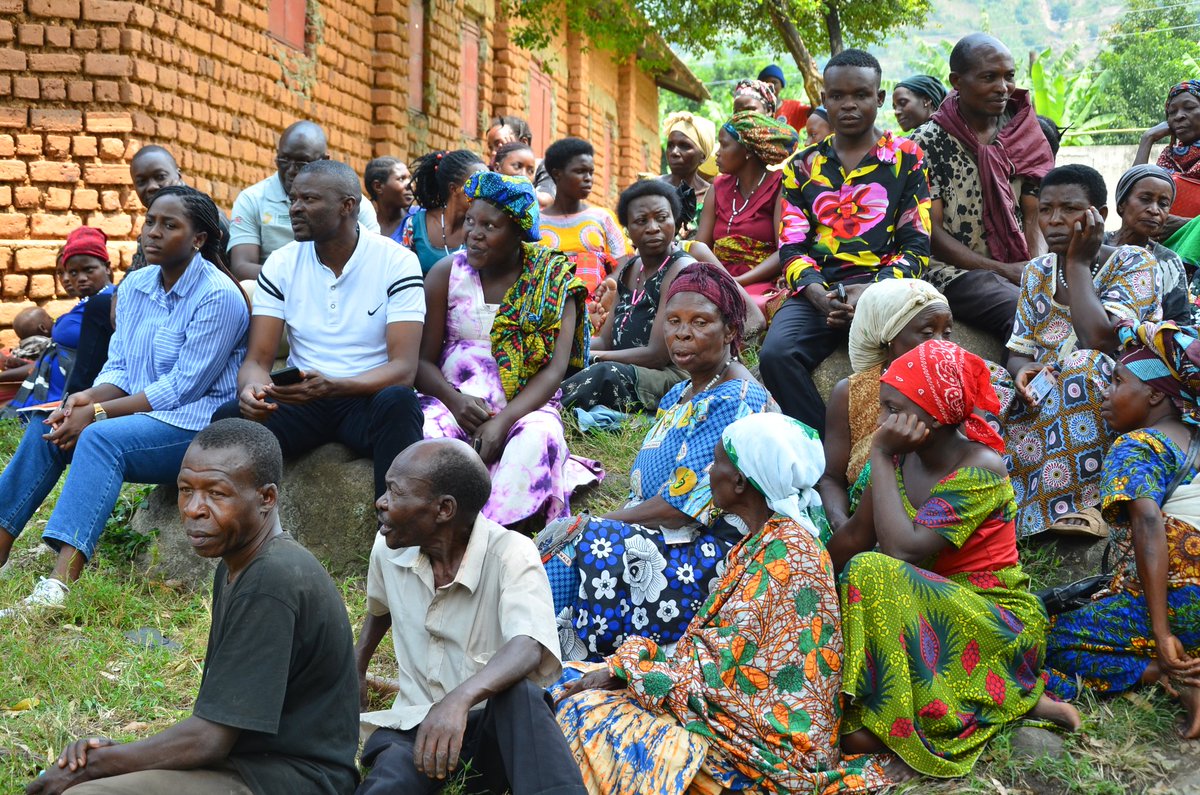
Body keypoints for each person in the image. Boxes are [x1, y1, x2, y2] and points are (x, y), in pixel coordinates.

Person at [553, 413, 893, 794]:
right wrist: (628, 667)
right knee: (568, 682)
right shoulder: (766, 541)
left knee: (585, 713)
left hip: (764, 741)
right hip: (732, 711)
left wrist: (628, 669)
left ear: (740, 481)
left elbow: (727, 677)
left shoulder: (789, 552)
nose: (710, 470)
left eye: (717, 462)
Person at [27, 419, 360, 795]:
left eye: (216, 494)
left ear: (267, 498)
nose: (194, 509)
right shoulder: (237, 564)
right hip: (247, 762)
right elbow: (217, 727)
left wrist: (95, 767)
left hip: (295, 780)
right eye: (186, 490)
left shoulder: (272, 578)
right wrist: (111, 757)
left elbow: (208, 739)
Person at [829, 340, 1080, 780]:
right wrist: (800, 570)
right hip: (928, 611)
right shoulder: (898, 459)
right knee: (854, 577)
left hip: (993, 620)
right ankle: (1000, 699)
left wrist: (883, 456)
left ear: (934, 411)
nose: (882, 421)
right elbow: (855, 536)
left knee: (872, 571)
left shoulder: (982, 468)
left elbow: (901, 550)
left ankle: (976, 703)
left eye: (892, 408)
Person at [0, 186, 248, 614]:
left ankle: (58, 587)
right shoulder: (134, 286)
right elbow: (121, 368)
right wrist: (83, 400)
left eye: (169, 225)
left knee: (99, 438)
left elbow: (181, 389)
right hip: (144, 414)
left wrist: (96, 415)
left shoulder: (218, 296)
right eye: (150, 221)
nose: (152, 232)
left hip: (196, 426)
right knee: (50, 424)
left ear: (198, 239)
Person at [540, 262, 775, 660]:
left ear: (730, 331)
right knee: (563, 544)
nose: (682, 333)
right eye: (673, 321)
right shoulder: (679, 395)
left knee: (578, 542)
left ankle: (550, 659)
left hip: (708, 561)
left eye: (700, 321)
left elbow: (683, 508)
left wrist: (594, 523)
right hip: (664, 540)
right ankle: (535, 657)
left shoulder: (734, 399)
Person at [354, 439, 586, 795]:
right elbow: (379, 608)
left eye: (395, 493)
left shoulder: (511, 554)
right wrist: (356, 667)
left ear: (444, 509)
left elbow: (529, 646)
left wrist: (459, 701)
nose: (381, 503)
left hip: (485, 728)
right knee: (390, 779)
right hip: (413, 726)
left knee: (521, 696)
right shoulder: (388, 548)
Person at [214, 160, 425, 501]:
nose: (295, 209)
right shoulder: (282, 263)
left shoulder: (397, 261)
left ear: (347, 206)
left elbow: (403, 371)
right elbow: (258, 359)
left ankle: (396, 538)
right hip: (305, 401)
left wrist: (334, 386)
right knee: (228, 421)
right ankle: (246, 540)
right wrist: (252, 390)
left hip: (366, 398)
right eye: (293, 199)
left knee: (399, 403)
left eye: (308, 200)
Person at [759, 48, 931, 434]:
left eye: (861, 95)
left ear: (879, 98)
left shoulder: (906, 158)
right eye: (837, 96)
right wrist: (819, 295)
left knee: (913, 361)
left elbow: (916, 245)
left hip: (887, 289)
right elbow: (791, 247)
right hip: (819, 290)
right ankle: (825, 454)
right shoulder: (802, 166)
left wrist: (871, 294)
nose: (848, 105)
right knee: (776, 355)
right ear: (824, 100)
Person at [1045, 320, 1200, 738]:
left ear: (1153, 394)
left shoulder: (1139, 445)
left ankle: (1171, 676)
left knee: (1047, 641)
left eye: (1116, 381)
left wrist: (1161, 632)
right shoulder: (1193, 439)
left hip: (1189, 595)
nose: (1105, 392)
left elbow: (1148, 521)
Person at [416, 172, 595, 532]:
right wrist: (455, 401)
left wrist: (503, 421)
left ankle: (490, 535)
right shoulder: (446, 273)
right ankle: (437, 531)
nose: (474, 234)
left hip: (526, 406)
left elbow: (554, 369)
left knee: (535, 438)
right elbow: (420, 362)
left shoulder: (552, 280)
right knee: (424, 437)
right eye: (470, 221)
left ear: (518, 231)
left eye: (490, 226)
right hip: (452, 401)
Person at [994, 165, 1161, 537]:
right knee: (984, 378)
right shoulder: (1037, 272)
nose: (1054, 221)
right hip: (1044, 398)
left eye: (1069, 209)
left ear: (1098, 216)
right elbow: (1019, 350)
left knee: (1084, 365)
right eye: (1046, 210)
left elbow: (1101, 341)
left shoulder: (1134, 263)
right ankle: (989, 502)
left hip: (1106, 393)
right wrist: (1023, 370)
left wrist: (1078, 263)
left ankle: (1079, 505)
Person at [910, 33, 1055, 342]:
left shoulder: (1025, 131)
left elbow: (1035, 211)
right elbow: (932, 235)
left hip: (1018, 265)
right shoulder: (927, 142)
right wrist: (1006, 272)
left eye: (1009, 76)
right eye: (989, 77)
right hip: (950, 271)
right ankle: (1012, 387)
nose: (1003, 87)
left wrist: (1034, 266)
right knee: (1026, 311)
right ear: (957, 81)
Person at [818, 278, 952, 529]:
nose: (940, 345)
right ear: (890, 336)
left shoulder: (954, 390)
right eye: (927, 334)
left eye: (946, 333)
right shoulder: (851, 391)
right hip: (861, 525)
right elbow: (831, 478)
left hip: (933, 529)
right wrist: (841, 524)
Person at [562, 180, 693, 413]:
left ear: (674, 219)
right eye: (642, 221)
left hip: (668, 376)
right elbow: (605, 340)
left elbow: (657, 355)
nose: (653, 227)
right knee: (557, 359)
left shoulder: (680, 268)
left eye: (662, 217)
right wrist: (565, 350)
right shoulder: (631, 267)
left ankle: (542, 409)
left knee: (603, 374)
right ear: (627, 230)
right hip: (621, 364)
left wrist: (592, 357)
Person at [227, 121, 380, 280]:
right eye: (284, 160)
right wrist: (303, 282)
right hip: (278, 289)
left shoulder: (351, 204)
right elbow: (241, 267)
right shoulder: (253, 199)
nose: (292, 170)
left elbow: (372, 260)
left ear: (324, 160)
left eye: (302, 163)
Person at [3, 227, 115, 415]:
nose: (79, 279)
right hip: (51, 392)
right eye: (72, 272)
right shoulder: (88, 302)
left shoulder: (109, 304)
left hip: (70, 397)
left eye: (88, 270)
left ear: (107, 267)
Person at [694, 111, 796, 309]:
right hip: (716, 279)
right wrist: (723, 279)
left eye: (724, 144)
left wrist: (738, 282)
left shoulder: (779, 185)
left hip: (759, 282)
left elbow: (784, 250)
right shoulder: (718, 187)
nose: (717, 152)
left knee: (751, 306)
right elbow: (700, 247)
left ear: (747, 150)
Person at [538, 137, 628, 297]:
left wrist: (608, 285)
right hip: (545, 310)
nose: (588, 178)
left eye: (591, 172)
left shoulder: (603, 218)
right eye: (580, 171)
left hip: (596, 309)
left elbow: (623, 262)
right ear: (557, 174)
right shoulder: (535, 222)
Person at [1106, 165, 1194, 324]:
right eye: (1145, 199)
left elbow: (1179, 325)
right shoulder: (1094, 246)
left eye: (1163, 204)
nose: (1154, 210)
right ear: (1121, 204)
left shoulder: (1168, 262)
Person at [1136, 81, 1200, 265]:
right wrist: (1147, 139)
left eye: (1189, 107)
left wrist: (1185, 225)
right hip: (1159, 259)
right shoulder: (1168, 158)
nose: (1179, 116)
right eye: (1172, 112)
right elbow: (1129, 196)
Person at [398, 149, 487, 275]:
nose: (485, 192)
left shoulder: (484, 229)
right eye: (478, 186)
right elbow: (401, 273)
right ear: (454, 188)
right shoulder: (415, 224)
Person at [658, 111, 717, 238]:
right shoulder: (653, 188)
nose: (674, 152)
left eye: (684, 146)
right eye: (670, 145)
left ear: (702, 156)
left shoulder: (712, 196)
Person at [485, 114, 555, 196]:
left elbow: (546, 200)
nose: (493, 152)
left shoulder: (542, 168)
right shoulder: (488, 173)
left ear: (523, 143)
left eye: (500, 145)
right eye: (490, 147)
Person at [364, 156, 414, 242]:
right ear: (378, 186)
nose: (410, 185)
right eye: (401, 179)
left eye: (410, 178)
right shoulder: (365, 226)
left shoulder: (419, 219)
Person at [758, 62, 813, 134]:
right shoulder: (754, 108)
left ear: (782, 85)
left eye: (774, 82)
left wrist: (811, 72)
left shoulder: (795, 108)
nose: (770, 86)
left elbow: (816, 111)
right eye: (765, 82)